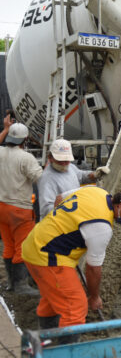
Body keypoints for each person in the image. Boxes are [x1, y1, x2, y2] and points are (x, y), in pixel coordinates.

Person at [21, 187, 121, 336]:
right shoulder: (102, 227)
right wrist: (94, 297)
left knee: (54, 298)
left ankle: (48, 340)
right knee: (76, 306)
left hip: (35, 243)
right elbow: (93, 269)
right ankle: (67, 351)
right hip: (47, 256)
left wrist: (63, 224)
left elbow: (59, 199)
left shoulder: (96, 191)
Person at [0, 122, 42, 295]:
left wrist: (5, 129)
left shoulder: (0, 152)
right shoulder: (26, 158)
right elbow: (39, 178)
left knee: (8, 245)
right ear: (25, 140)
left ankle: (11, 283)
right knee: (23, 247)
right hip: (19, 209)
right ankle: (21, 285)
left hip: (1, 207)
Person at [38, 139, 110, 218]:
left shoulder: (70, 167)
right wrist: (65, 199)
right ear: (50, 157)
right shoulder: (47, 179)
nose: (64, 163)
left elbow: (81, 176)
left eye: (66, 160)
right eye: (60, 160)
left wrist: (95, 174)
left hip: (73, 216)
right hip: (59, 222)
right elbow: (46, 211)